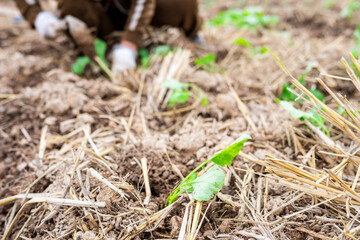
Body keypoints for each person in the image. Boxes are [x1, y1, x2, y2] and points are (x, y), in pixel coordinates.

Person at [14, 0, 203, 74]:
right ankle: (100, 44)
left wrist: (130, 43)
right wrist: (37, 16)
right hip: (96, 12)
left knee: (181, 4)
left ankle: (192, 36)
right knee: (73, 5)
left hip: (133, 8)